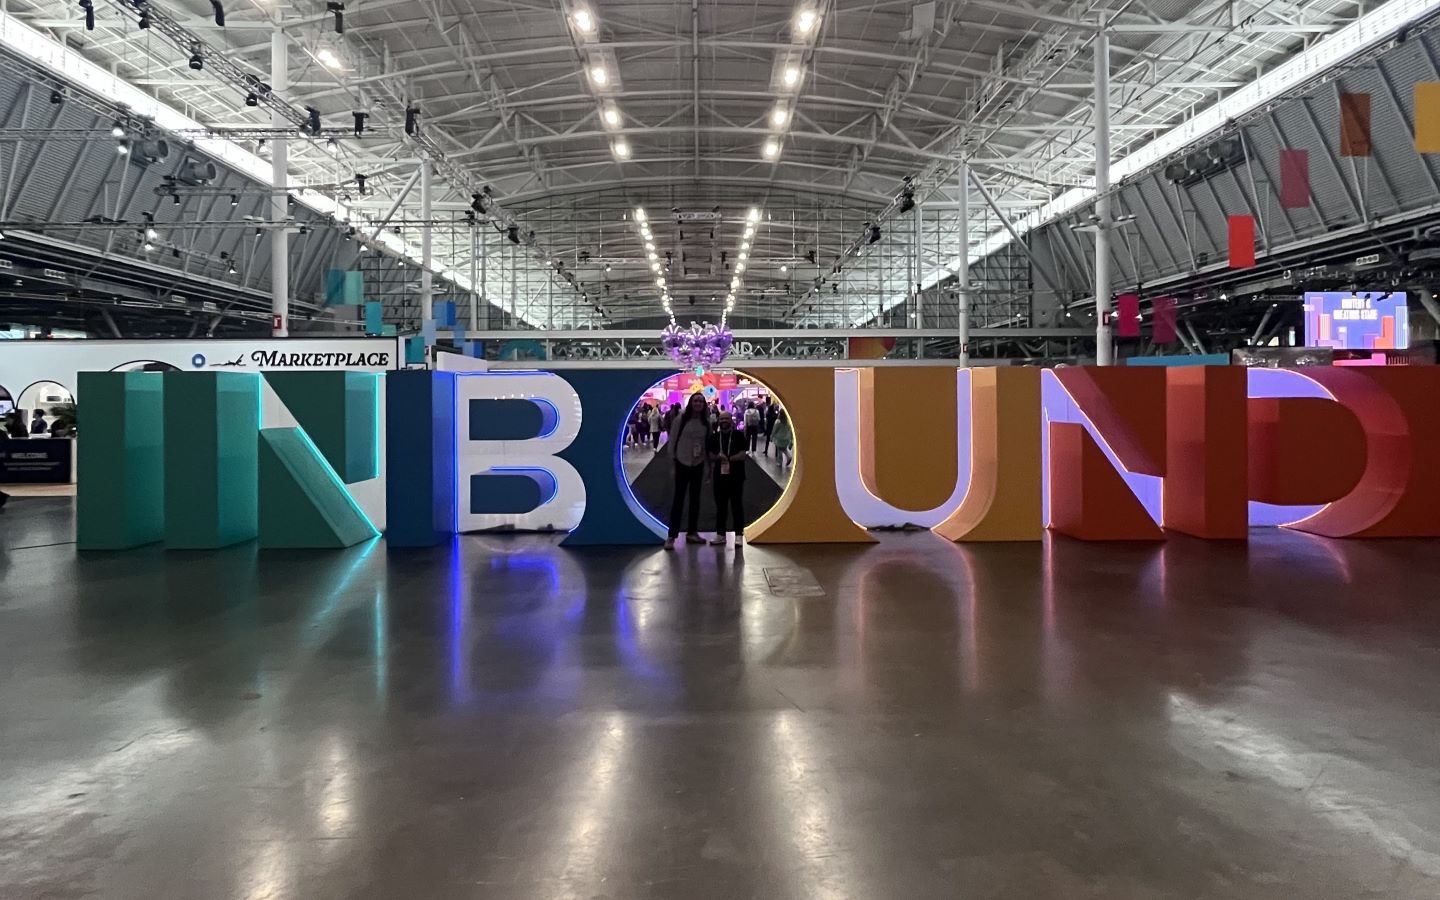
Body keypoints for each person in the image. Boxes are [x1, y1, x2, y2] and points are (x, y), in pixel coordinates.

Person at [664, 393, 710, 549]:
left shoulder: (706, 422)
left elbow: (707, 446)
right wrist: (672, 465)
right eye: (696, 400)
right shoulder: (680, 420)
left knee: (695, 500)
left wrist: (708, 468)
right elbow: (672, 442)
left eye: (701, 401)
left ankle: (692, 532)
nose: (698, 403)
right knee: (678, 500)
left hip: (698, 463)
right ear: (691, 402)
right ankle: (671, 536)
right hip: (682, 463)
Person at [707, 410, 747, 546]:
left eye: (726, 419)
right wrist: (719, 457)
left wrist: (729, 458)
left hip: (737, 476)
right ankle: (720, 534)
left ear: (731, 420)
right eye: (722, 419)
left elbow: (743, 455)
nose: (724, 421)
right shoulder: (714, 437)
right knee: (721, 507)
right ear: (718, 421)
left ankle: (739, 535)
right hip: (719, 477)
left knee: (737, 505)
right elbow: (711, 456)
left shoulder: (739, 435)